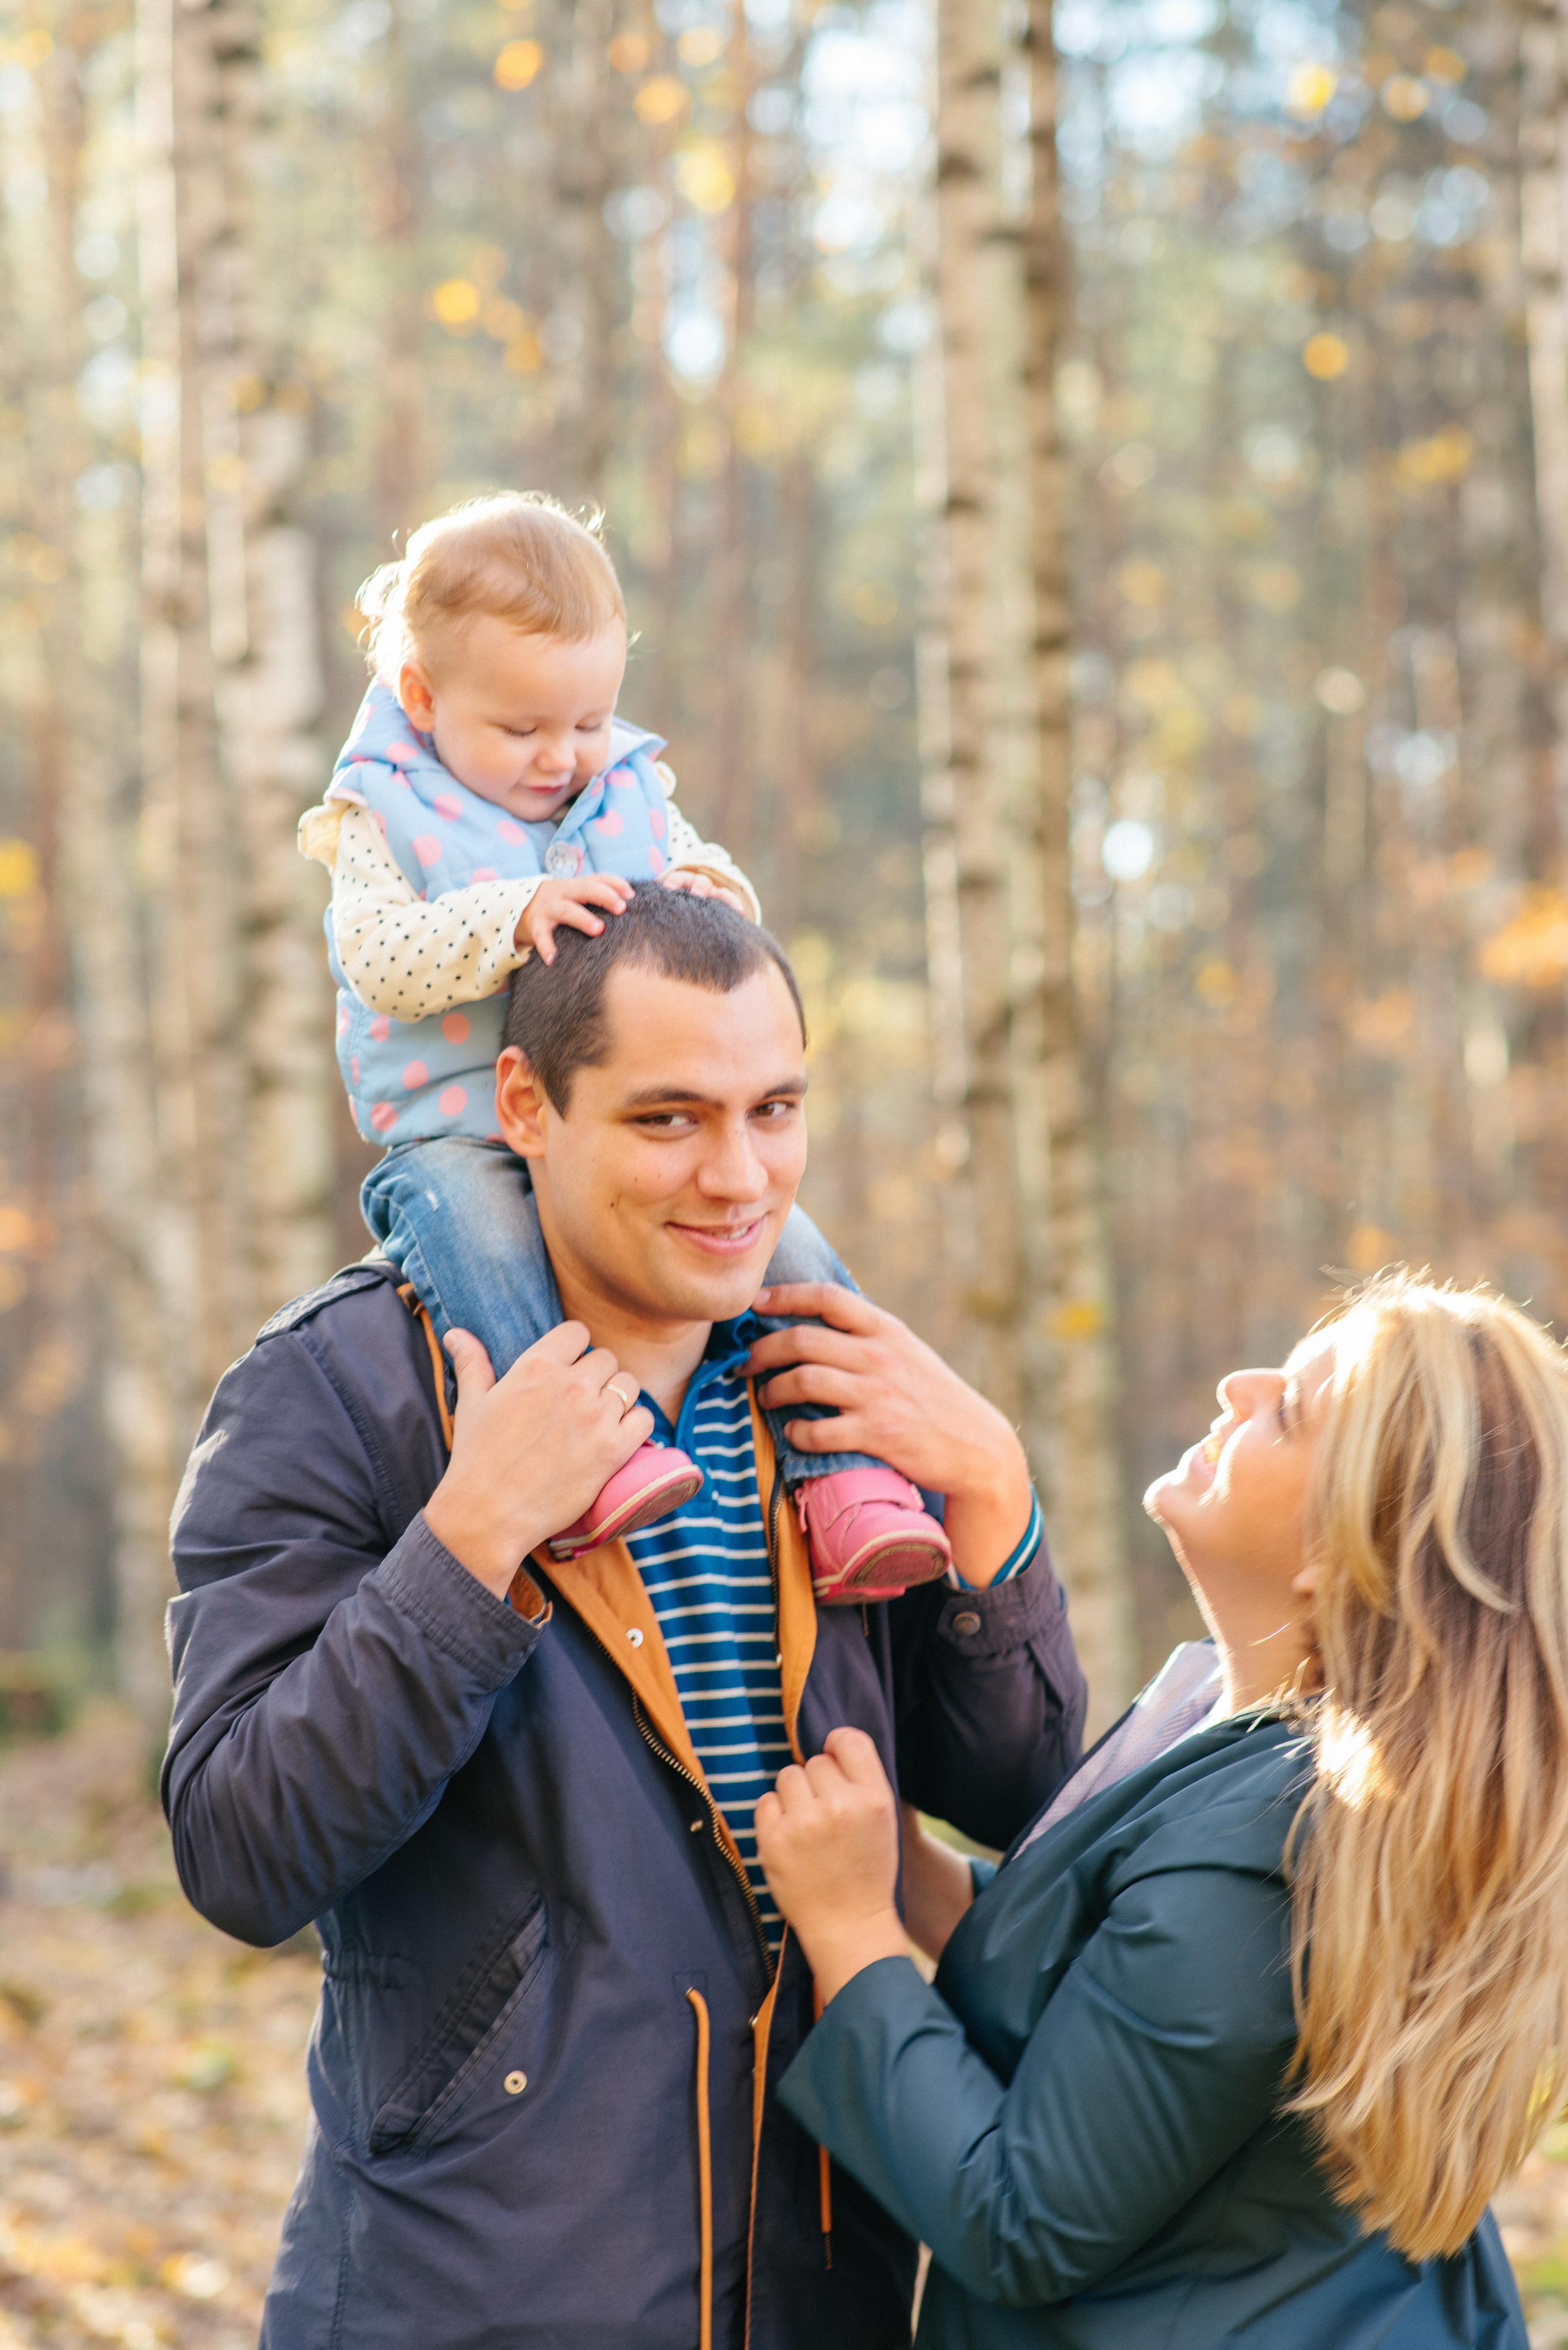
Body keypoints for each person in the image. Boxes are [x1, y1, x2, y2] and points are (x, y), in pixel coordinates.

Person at [162, 886, 1087, 2350]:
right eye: (668, 1119)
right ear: (523, 1103)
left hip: (820, 2291)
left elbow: (1010, 1790)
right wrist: (471, 1540)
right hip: (478, 2297)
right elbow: (241, 1849)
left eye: (774, 1109)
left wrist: (992, 1498)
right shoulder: (344, 1388)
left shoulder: (836, 1393)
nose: (739, 1177)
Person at [756, 1271, 1554, 2346]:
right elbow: (1130, 1988)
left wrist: (854, 1930)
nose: (1237, 1386)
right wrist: (927, 1886)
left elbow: (1018, 2218)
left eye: (1290, 1411)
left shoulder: (1269, 1855)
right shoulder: (1262, 1752)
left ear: (1339, 1554)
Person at [296, 489, 950, 1601]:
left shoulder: (621, 783)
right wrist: (511, 915)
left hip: (616, 1127)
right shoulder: (383, 813)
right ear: (423, 695)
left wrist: (710, 888)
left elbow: (703, 866)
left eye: (589, 721)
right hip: (454, 1130)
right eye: (523, 729)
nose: (563, 757)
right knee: (486, 1254)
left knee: (786, 1251)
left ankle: (847, 1480)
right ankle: (594, 1454)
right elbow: (377, 956)